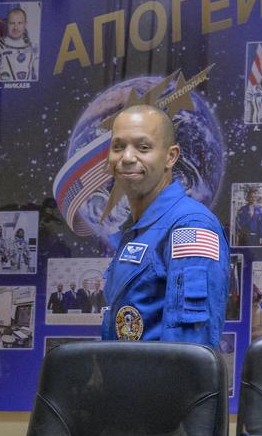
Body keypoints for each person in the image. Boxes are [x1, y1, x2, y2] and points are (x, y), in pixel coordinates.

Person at [98, 103, 229, 347]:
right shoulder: (141, 229)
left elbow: (189, 349)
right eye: (118, 147)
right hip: (124, 378)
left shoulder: (190, 227)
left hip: (161, 384)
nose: (127, 157)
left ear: (171, 156)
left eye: (143, 147)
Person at [0, 6, 38, 82]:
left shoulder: (33, 48)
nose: (16, 28)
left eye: (20, 23)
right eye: (12, 23)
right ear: (6, 24)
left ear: (25, 24)